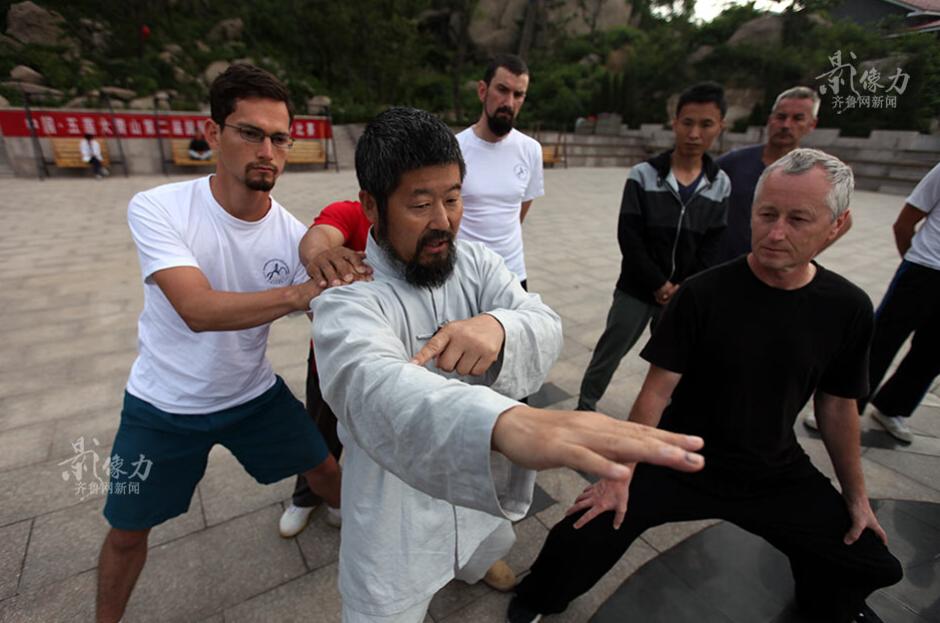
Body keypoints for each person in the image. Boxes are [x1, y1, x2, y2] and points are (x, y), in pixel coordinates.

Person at [310, 107, 708, 623]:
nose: (442, 222)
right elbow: (371, 384)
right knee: (387, 604)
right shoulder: (348, 297)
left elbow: (543, 321)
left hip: (476, 487)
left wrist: (498, 327)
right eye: (420, 204)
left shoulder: (474, 262)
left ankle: (475, 562)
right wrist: (503, 423)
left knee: (483, 539)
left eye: (453, 199)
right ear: (371, 205)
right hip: (396, 510)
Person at [509, 149, 902, 623]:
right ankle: (538, 599)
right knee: (584, 530)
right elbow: (655, 392)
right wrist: (621, 473)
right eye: (767, 214)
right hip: (679, 455)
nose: (776, 232)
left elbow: (838, 406)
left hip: (774, 469)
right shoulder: (703, 293)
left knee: (869, 560)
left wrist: (856, 497)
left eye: (798, 219)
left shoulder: (848, 307)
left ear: (837, 226)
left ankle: (823, 602)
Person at [94, 64, 342, 623]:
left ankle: (373, 538)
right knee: (127, 532)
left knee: (328, 472)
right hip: (163, 405)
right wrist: (298, 292)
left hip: (252, 395)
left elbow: (328, 305)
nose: (267, 151)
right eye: (250, 133)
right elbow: (197, 310)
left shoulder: (292, 235)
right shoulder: (159, 207)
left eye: (279, 138)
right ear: (212, 133)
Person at [576, 82, 731, 412]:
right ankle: (585, 406)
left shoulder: (720, 184)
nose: (694, 133)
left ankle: (668, 414)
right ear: (674, 123)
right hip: (636, 288)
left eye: (706, 124)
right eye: (687, 122)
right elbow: (629, 237)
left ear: (721, 126)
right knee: (610, 350)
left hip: (683, 295)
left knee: (675, 361)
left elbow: (712, 244)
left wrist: (683, 287)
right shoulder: (643, 175)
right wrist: (658, 283)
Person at [278, 199, 372, 537]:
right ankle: (307, 497)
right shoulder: (352, 212)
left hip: (394, 366)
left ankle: (361, 501)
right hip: (332, 362)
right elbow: (319, 236)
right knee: (320, 431)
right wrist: (321, 258)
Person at [716, 85, 854, 263]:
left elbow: (844, 221)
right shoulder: (734, 162)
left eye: (798, 118)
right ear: (770, 119)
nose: (786, 125)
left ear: (812, 124)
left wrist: (801, 257)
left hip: (774, 270)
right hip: (725, 264)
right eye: (781, 117)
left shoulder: (815, 175)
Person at [858, 161, 940, 443]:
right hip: (924, 269)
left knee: (932, 353)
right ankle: (846, 404)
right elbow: (903, 224)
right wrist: (914, 262)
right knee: (881, 339)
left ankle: (892, 407)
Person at [456, 54, 543, 290]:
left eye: (518, 95)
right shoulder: (454, 149)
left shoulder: (531, 150)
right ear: (482, 91)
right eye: (502, 90)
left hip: (512, 275)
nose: (509, 102)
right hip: (463, 276)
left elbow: (519, 211)